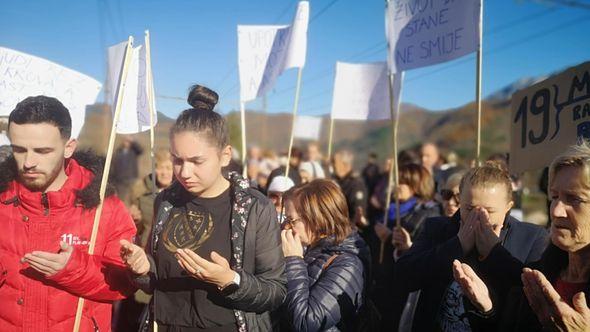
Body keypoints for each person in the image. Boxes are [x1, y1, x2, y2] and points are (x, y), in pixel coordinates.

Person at [120, 85, 286, 332]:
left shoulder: (254, 208)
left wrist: (230, 280)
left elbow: (276, 291)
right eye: (177, 160)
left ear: (225, 155)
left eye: (197, 161)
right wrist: (143, 268)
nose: (184, 173)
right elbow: (156, 278)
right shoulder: (165, 201)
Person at [0, 96, 136, 331]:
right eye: (19, 150)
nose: (29, 162)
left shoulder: (106, 206)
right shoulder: (3, 198)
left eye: (43, 151)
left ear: (69, 147)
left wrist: (72, 270)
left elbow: (126, 283)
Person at [394, 162, 548, 332]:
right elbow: (402, 277)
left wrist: (494, 253)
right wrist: (457, 245)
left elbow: (532, 303)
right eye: (469, 209)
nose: (478, 217)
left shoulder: (531, 238)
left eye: (489, 211)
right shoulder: (438, 228)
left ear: (508, 207)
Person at [453, 144, 590, 331]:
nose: (557, 211)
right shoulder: (539, 273)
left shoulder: (532, 241)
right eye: (554, 196)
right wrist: (486, 308)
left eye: (575, 199)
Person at [280, 179, 371, 331]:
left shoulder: (348, 264)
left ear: (317, 219)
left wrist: (293, 261)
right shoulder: (313, 248)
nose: (286, 226)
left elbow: (306, 322)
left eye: (291, 220)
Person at [370, 163, 441, 331]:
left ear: (416, 184)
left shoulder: (427, 213)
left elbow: (421, 248)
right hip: (384, 279)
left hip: (405, 287)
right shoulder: (391, 208)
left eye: (403, 182)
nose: (397, 186)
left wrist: (389, 238)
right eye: (396, 181)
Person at [332, 149, 368, 227]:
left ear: (345, 165)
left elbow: (357, 212)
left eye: (335, 163)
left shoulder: (356, 184)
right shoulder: (334, 180)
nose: (333, 165)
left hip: (346, 228)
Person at [112, 136, 144, 205]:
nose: (127, 143)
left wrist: (133, 141)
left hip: (131, 179)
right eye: (126, 141)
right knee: (121, 200)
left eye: (128, 142)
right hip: (120, 181)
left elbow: (141, 150)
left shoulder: (134, 152)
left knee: (133, 199)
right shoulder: (118, 152)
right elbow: (114, 166)